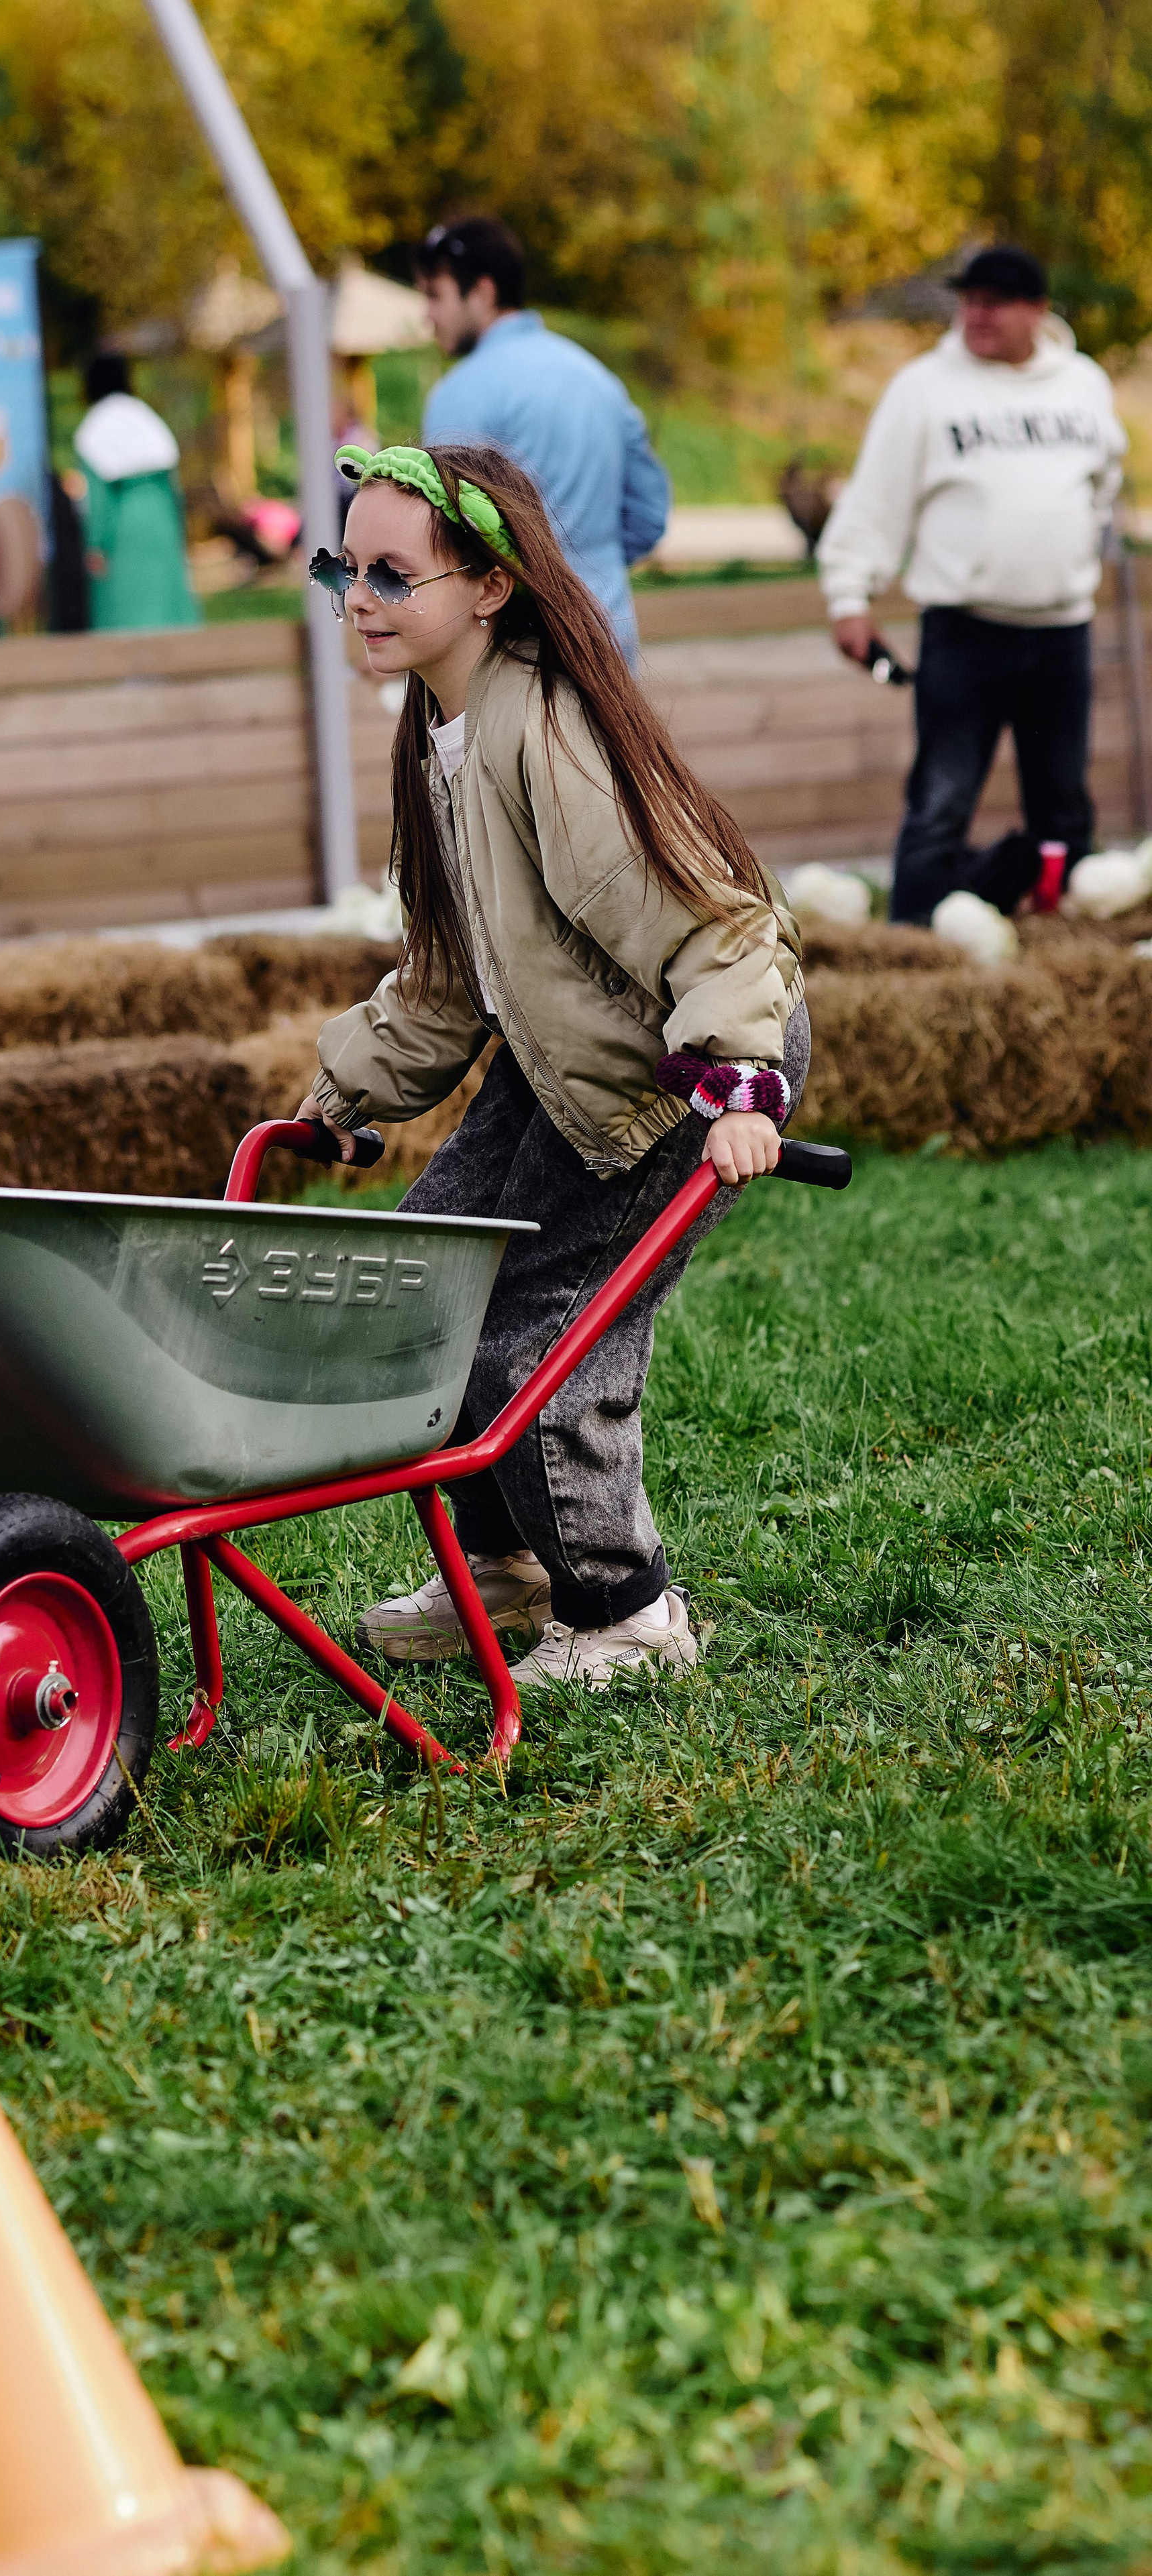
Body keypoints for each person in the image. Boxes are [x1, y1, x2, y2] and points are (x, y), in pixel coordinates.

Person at [297, 442, 805, 1692]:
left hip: (679, 1063)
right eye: (343, 568)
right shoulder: (445, 726)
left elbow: (714, 920)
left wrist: (742, 1076)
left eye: (391, 575)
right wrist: (349, 1085)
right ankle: (511, 1561)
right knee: (428, 1281)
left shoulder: (551, 737)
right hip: (570, 1054)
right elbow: (454, 971)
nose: (358, 597)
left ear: (488, 586)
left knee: (536, 1339)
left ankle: (628, 1612)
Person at [818, 245, 1127, 923]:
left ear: (1038, 312)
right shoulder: (924, 387)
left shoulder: (1081, 383)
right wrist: (850, 596)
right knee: (939, 801)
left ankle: (1068, 924)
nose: (976, 314)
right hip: (965, 631)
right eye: (969, 300)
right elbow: (876, 499)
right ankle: (918, 933)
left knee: (1063, 800)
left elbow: (1102, 483)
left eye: (995, 302)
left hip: (1060, 634)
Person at [416, 217, 670, 655]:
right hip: (608, 643)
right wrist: (589, 569)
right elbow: (647, 516)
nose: (427, 315)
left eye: (435, 295)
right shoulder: (599, 380)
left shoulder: (460, 394)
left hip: (513, 655)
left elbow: (441, 540)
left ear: (482, 293)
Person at [73, 354, 201, 630]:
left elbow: (98, 499)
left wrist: (96, 545)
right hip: (161, 515)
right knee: (166, 595)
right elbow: (173, 484)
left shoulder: (94, 427)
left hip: (123, 523)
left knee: (127, 603)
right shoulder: (145, 416)